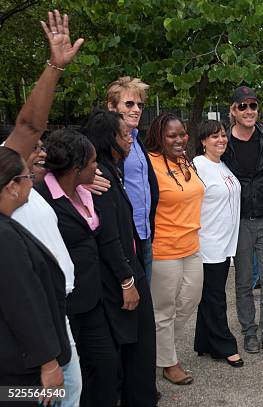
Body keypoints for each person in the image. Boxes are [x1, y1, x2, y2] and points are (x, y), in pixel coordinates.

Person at [3, 9, 83, 406]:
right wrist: (47, 358)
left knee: (67, 394)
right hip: (29, 340)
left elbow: (29, 128)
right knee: (34, 397)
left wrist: (54, 66)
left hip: (53, 316)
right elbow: (16, 294)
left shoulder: (5, 166)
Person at [36, 129, 118, 406]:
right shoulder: (40, 199)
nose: (98, 167)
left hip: (93, 299)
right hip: (63, 307)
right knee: (72, 379)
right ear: (76, 167)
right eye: (93, 162)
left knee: (107, 366)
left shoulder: (86, 190)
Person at [81, 110, 158, 405]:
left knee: (139, 345)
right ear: (109, 139)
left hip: (130, 265)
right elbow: (109, 235)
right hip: (121, 275)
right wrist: (127, 280)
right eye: (125, 134)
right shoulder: (99, 177)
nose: (130, 139)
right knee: (135, 349)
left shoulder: (113, 170)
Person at [0, 147, 69, 407]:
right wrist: (49, 363)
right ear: (12, 187)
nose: (32, 182)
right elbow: (22, 304)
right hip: (19, 371)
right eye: (27, 177)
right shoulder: (5, 237)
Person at [221, 86, 263, 359]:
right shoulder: (223, 142)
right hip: (239, 222)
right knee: (244, 280)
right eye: (243, 106)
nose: (249, 111)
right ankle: (249, 331)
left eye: (253, 106)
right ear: (233, 110)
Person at [145, 112, 205, 384]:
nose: (179, 139)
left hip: (192, 244)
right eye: (172, 135)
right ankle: (168, 362)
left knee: (190, 300)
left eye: (182, 134)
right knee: (164, 309)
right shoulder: (148, 163)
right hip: (164, 248)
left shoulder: (185, 161)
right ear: (159, 137)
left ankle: (157, 348)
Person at [192, 120, 243, 367]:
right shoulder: (198, 166)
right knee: (215, 297)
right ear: (203, 141)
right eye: (214, 137)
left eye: (223, 135)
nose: (221, 140)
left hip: (225, 242)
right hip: (208, 242)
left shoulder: (222, 165)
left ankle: (204, 342)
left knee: (210, 295)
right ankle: (224, 345)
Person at [107, 77, 159, 283]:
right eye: (129, 104)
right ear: (111, 106)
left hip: (144, 231)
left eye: (140, 104)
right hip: (122, 235)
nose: (136, 109)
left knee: (144, 297)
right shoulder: (103, 142)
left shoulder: (136, 139)